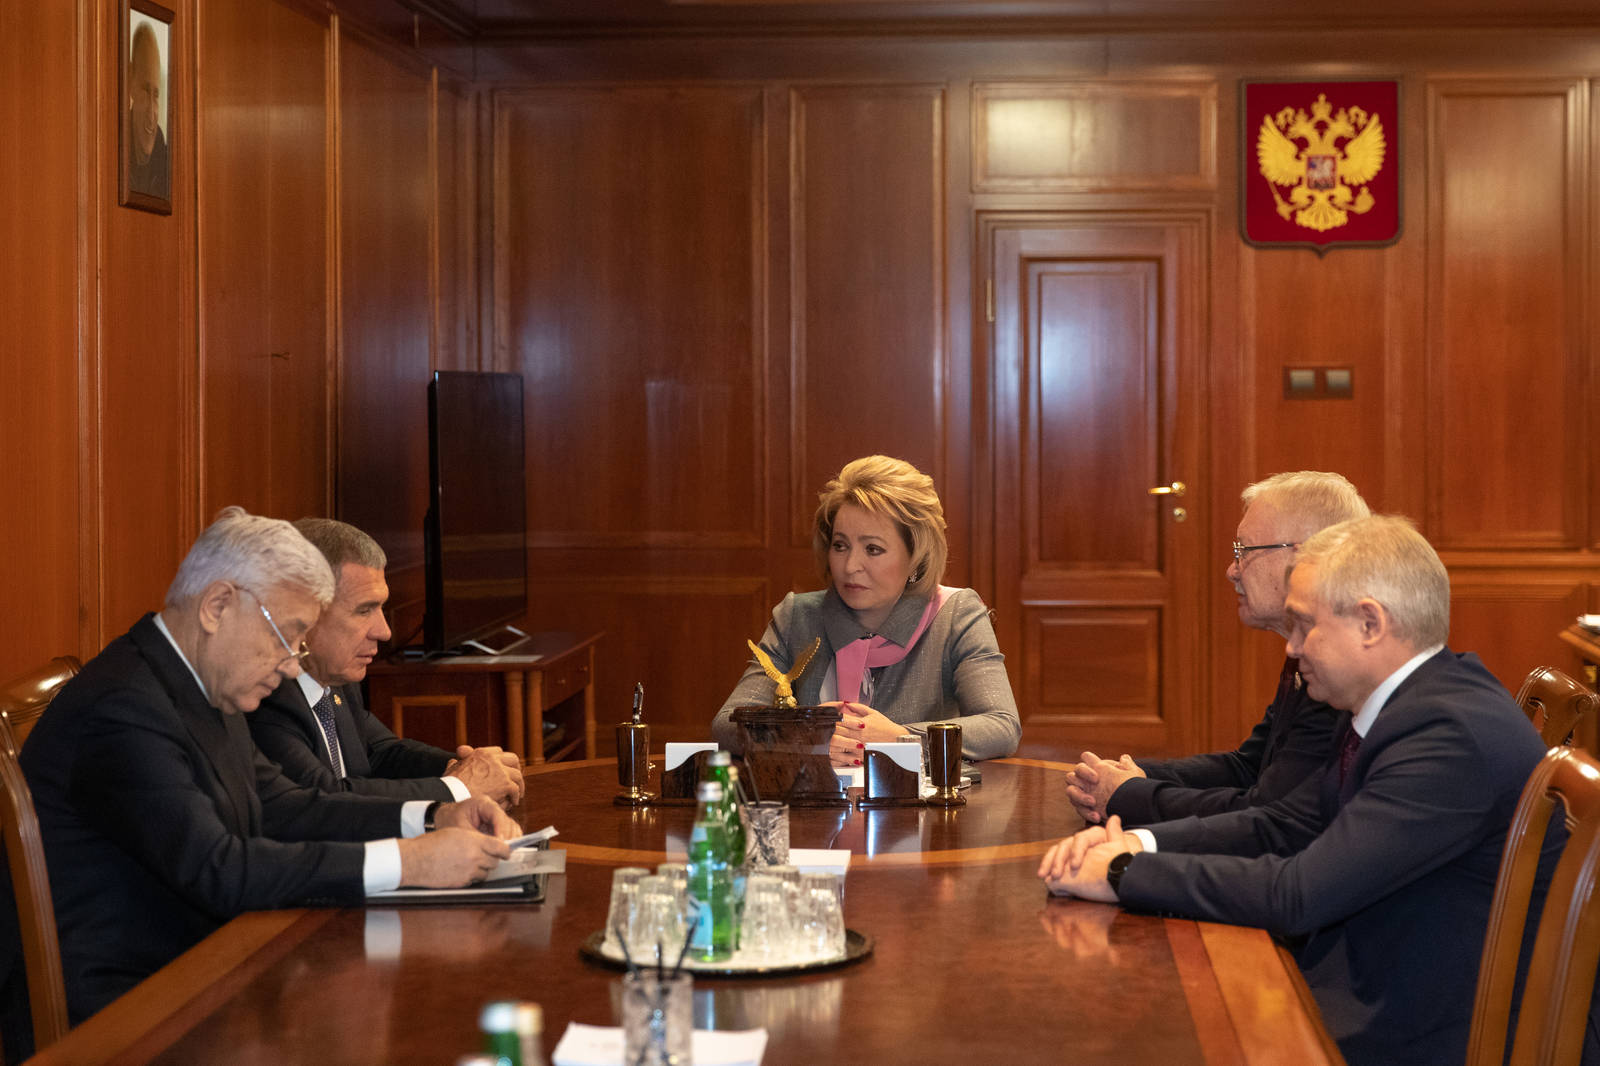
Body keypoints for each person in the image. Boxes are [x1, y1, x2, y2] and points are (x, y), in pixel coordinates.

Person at [1036, 515, 1551, 1065]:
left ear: (1370, 623)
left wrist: (1121, 873)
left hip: (1423, 1026)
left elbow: (1300, 895)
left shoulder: (1447, 736)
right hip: (1382, 979)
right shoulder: (1403, 702)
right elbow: (1287, 823)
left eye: (1304, 625)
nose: (1292, 648)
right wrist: (1138, 845)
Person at [20, 507, 521, 1023]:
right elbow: (221, 870)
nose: (290, 665)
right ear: (217, 606)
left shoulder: (203, 679)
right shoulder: (126, 707)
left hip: (209, 962)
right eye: (287, 637)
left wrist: (434, 817)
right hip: (129, 1006)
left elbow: (283, 806)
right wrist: (410, 862)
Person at [1065, 471, 1367, 825]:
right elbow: (1249, 767)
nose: (1231, 570)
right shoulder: (1302, 656)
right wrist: (1134, 776)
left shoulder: (1339, 669)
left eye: (1244, 551)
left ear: (1302, 557)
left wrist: (1129, 794)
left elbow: (1264, 813)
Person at [712, 454, 1020, 763]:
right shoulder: (797, 617)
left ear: (916, 557)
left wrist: (902, 739)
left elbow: (1001, 727)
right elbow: (726, 724)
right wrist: (801, 737)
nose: (850, 566)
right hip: (818, 793)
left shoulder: (956, 615)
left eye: (873, 549)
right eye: (840, 545)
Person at [250, 518, 524, 807]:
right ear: (302, 613)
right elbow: (325, 797)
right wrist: (459, 786)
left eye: (381, 608)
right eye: (364, 610)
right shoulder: (265, 696)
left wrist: (465, 767)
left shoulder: (335, 675)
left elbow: (381, 752)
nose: (384, 631)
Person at [126, 20, 169, 200]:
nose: (151, 112)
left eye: (156, 95)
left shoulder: (165, 162)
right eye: (145, 90)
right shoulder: (114, 151)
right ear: (131, 85)